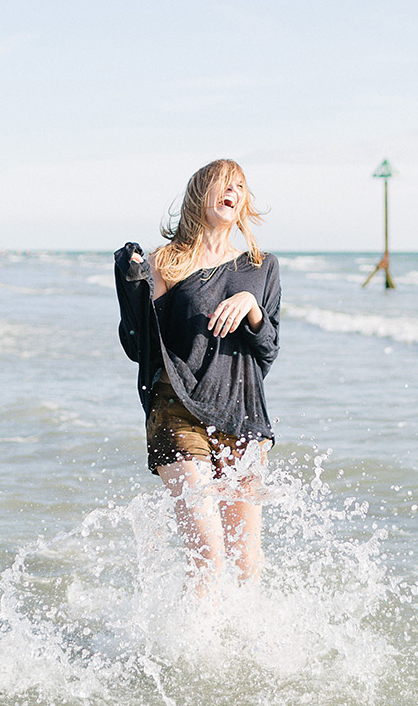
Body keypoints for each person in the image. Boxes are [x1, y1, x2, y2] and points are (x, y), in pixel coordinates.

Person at [114, 159, 281, 600]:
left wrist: (251, 305)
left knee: (247, 562)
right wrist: (132, 287)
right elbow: (138, 346)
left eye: (241, 186)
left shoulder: (261, 268)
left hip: (241, 411)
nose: (234, 191)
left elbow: (269, 350)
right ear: (200, 194)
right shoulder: (166, 262)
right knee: (208, 556)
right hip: (176, 408)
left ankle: (242, 656)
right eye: (224, 184)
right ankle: (185, 665)